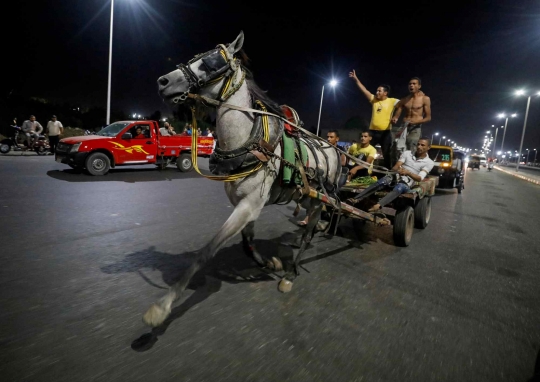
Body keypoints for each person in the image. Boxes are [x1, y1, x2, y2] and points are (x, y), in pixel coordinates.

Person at [347, 138, 434, 213]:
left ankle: (378, 206)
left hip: (408, 181)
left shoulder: (429, 162)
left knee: (399, 187)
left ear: (429, 147)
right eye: (418, 144)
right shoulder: (407, 153)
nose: (419, 147)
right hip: (396, 175)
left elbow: (419, 178)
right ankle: (356, 199)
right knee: (382, 181)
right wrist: (397, 170)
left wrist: (408, 173)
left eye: (422, 145)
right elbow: (396, 166)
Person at [349, 70, 399, 170]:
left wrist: (396, 116)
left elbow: (402, 105)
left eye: (379, 91)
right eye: (376, 90)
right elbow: (364, 90)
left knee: (387, 154)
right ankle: (360, 170)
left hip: (385, 133)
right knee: (364, 151)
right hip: (372, 132)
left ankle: (390, 174)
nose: (377, 92)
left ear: (385, 93)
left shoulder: (392, 101)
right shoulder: (374, 100)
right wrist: (356, 79)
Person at [298, 129, 346, 227]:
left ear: (337, 139)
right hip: (323, 175)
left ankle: (317, 217)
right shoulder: (323, 148)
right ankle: (309, 217)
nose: (328, 139)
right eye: (327, 137)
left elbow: (343, 163)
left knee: (330, 192)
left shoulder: (340, 150)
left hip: (335, 176)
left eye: (331, 137)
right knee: (313, 193)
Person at [391, 77, 432, 153]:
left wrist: (416, 122)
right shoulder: (405, 99)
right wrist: (396, 117)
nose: (411, 85)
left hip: (415, 127)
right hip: (404, 125)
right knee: (397, 146)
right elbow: (399, 107)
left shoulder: (425, 99)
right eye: (410, 84)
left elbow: (428, 118)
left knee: (412, 145)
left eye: (414, 84)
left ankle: (410, 164)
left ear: (419, 86)